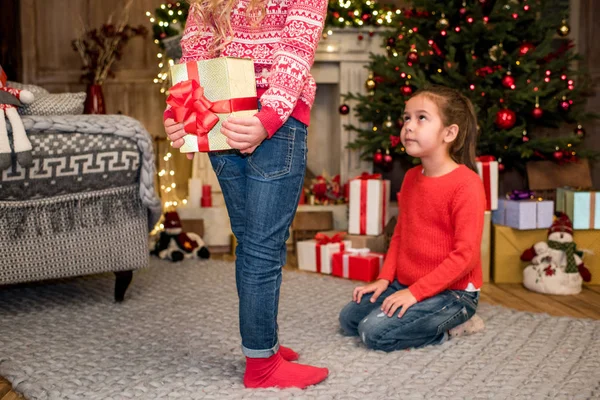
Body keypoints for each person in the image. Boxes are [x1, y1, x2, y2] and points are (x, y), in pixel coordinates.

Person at [163, 0, 329, 389]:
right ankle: (263, 365)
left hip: (224, 119)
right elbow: (293, 55)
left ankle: (262, 344)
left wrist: (182, 113)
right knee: (262, 247)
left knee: (251, 243)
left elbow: (195, 51)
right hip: (267, 124)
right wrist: (266, 120)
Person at [339, 85, 486, 352]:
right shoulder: (410, 178)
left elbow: (465, 256)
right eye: (407, 117)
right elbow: (400, 235)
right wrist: (385, 279)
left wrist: (416, 294)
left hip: (454, 294)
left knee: (373, 333)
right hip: (407, 282)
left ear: (449, 133)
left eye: (421, 118)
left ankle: (456, 325)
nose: (409, 126)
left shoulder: (467, 184)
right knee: (349, 319)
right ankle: (411, 307)